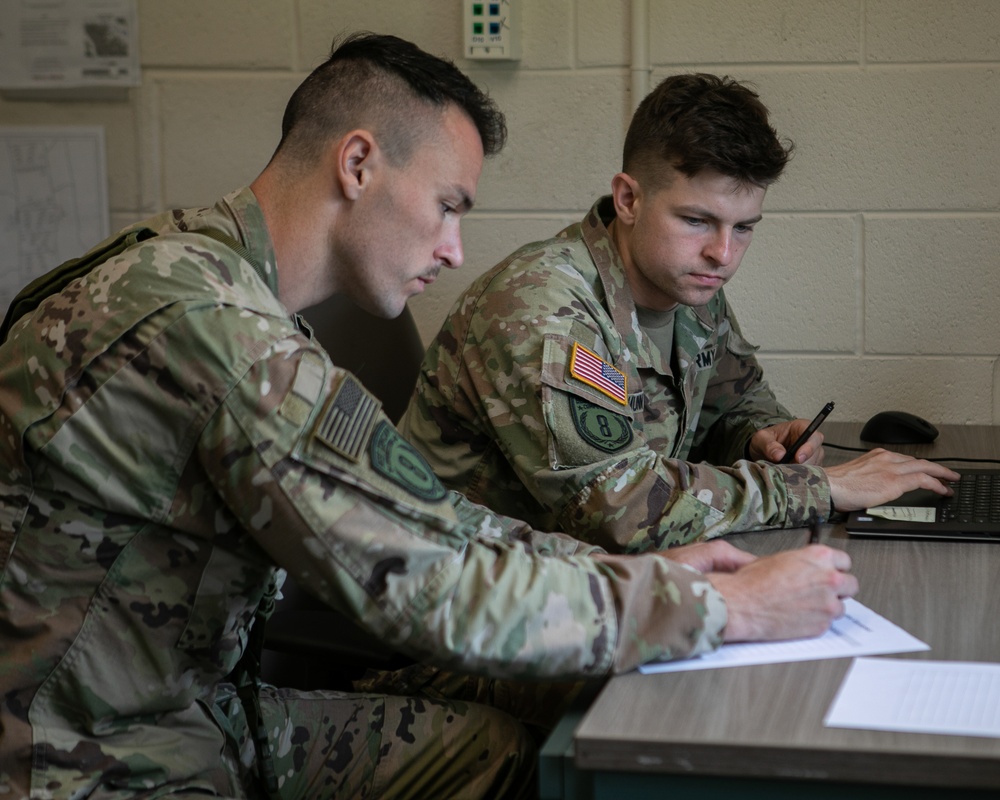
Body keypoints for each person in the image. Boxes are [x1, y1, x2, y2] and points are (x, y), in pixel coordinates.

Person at [0, 37, 869, 800]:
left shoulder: (202, 271)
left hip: (196, 709)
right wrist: (720, 608)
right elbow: (428, 581)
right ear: (357, 164)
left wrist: (660, 569)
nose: (455, 250)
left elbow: (434, 521)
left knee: (486, 754)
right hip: (89, 762)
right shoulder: (218, 331)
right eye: (449, 204)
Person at [400, 72, 958, 554]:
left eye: (743, 228)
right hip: (474, 610)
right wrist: (825, 489)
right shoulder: (541, 309)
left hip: (596, 580)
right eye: (697, 220)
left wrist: (761, 435)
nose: (723, 253)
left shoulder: (690, 285)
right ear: (629, 200)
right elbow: (618, 506)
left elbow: (734, 401)